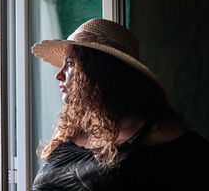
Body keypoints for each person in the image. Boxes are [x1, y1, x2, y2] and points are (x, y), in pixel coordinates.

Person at [31, 18, 209, 191]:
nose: (59, 75)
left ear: (101, 71)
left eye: (70, 63)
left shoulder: (155, 135)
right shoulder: (74, 125)